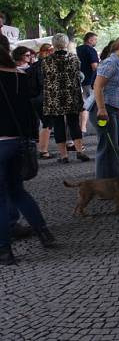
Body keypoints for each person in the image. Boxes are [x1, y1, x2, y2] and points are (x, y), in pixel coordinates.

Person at [0, 43, 55, 265]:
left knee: (1, 199)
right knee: (18, 192)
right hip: (19, 141)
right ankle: (43, 232)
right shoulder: (20, 76)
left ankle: (4, 250)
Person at [92, 36, 119, 178]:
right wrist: (101, 109)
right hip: (104, 109)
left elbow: (118, 86)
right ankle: (105, 183)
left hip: (113, 110)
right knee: (108, 147)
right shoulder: (110, 63)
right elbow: (97, 86)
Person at [42, 34, 91, 164]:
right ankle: (80, 151)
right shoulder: (74, 59)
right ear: (66, 43)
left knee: (58, 125)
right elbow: (79, 75)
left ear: (54, 44)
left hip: (54, 96)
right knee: (74, 123)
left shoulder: (47, 60)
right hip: (72, 95)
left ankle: (64, 156)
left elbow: (44, 77)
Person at [29, 44, 54, 158]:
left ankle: (41, 148)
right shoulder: (47, 65)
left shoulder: (33, 65)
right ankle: (43, 150)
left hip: (33, 98)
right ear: (48, 52)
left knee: (41, 123)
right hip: (43, 97)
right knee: (48, 123)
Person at [76, 32, 99, 135]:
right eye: (95, 39)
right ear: (89, 40)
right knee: (86, 104)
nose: (96, 42)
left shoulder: (77, 49)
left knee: (79, 103)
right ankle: (83, 128)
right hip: (89, 81)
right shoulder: (91, 50)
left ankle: (77, 127)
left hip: (77, 80)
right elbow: (95, 66)